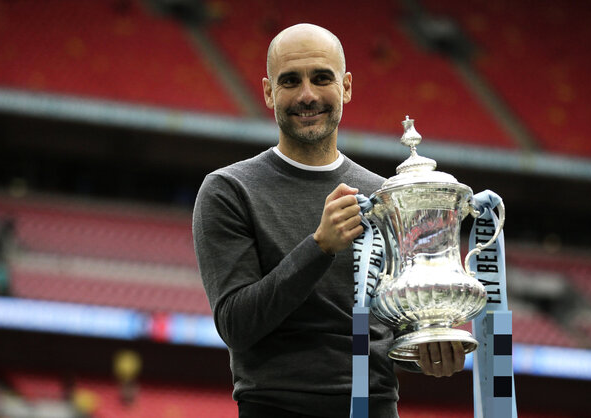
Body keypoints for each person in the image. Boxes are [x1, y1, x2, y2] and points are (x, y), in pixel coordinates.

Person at [192, 23, 464, 418]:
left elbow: (392, 327)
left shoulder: (385, 196)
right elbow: (237, 325)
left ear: (346, 87)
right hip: (275, 407)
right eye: (290, 81)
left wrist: (429, 345)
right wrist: (318, 247)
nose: (307, 95)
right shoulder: (228, 190)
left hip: (375, 408)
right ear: (269, 92)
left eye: (321, 78)